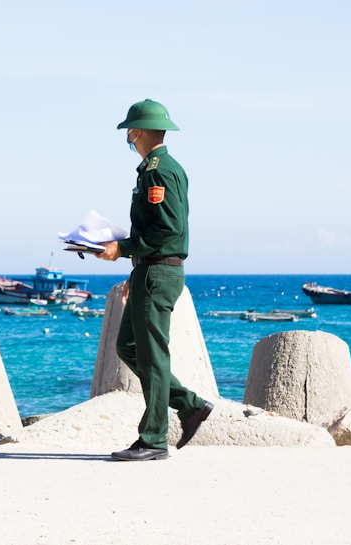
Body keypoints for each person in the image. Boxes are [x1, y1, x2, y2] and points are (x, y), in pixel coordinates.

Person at [96, 98, 213, 461]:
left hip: (159, 269)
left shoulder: (159, 171)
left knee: (153, 354)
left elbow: (168, 230)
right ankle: (189, 404)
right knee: (129, 347)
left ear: (139, 131)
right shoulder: (152, 169)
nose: (128, 137)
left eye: (130, 131)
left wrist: (123, 249)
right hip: (150, 269)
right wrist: (136, 266)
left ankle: (153, 439)